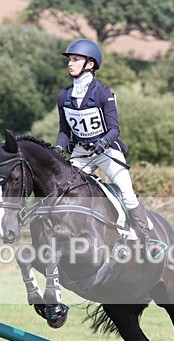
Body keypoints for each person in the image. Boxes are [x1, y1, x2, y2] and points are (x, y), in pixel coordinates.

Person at [53, 39, 151, 244]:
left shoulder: (103, 93)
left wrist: (103, 142)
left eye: (75, 59)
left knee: (127, 192)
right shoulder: (64, 96)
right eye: (69, 60)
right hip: (80, 153)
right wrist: (58, 148)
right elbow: (64, 130)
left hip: (106, 151)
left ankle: (146, 238)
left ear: (90, 64)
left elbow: (114, 129)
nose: (70, 63)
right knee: (62, 191)